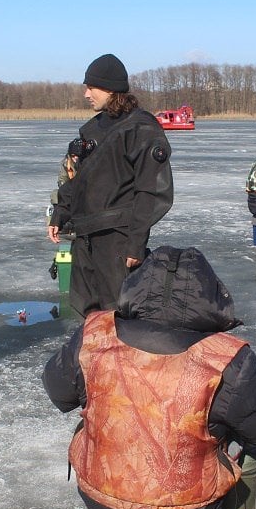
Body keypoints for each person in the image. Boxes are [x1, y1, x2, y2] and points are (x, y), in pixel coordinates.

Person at [42, 246, 256, 509]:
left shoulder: (94, 334)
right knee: (253, 444)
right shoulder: (227, 357)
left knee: (102, 412)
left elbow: (58, 391)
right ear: (212, 295)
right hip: (189, 508)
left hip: (100, 496)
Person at [47, 53, 174, 317]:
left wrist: (135, 242)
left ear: (110, 89)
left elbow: (153, 191)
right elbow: (80, 180)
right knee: (87, 313)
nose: (86, 94)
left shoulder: (140, 129)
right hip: (85, 238)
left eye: (91, 87)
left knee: (119, 312)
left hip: (117, 240)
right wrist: (61, 211)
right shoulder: (93, 129)